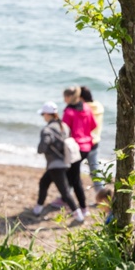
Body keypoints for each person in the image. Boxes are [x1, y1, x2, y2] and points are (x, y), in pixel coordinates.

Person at [33, 102, 82, 222]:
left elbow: (42, 148)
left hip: (55, 165)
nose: (43, 117)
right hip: (66, 162)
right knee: (43, 183)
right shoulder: (64, 126)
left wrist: (41, 148)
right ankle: (38, 208)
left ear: (47, 114)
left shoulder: (47, 130)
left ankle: (78, 215)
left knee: (65, 192)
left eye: (43, 114)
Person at [61, 86, 97, 218]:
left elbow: (64, 131)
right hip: (87, 146)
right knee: (71, 175)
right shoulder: (86, 107)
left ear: (69, 97)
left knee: (75, 178)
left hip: (75, 148)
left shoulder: (68, 111)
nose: (64, 99)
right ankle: (65, 199)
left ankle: (82, 207)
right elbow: (93, 125)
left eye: (64, 97)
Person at [80, 86, 105, 194]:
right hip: (95, 142)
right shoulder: (98, 106)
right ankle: (102, 195)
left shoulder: (84, 108)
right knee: (95, 171)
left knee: (73, 170)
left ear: (81, 97)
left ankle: (66, 196)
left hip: (84, 144)